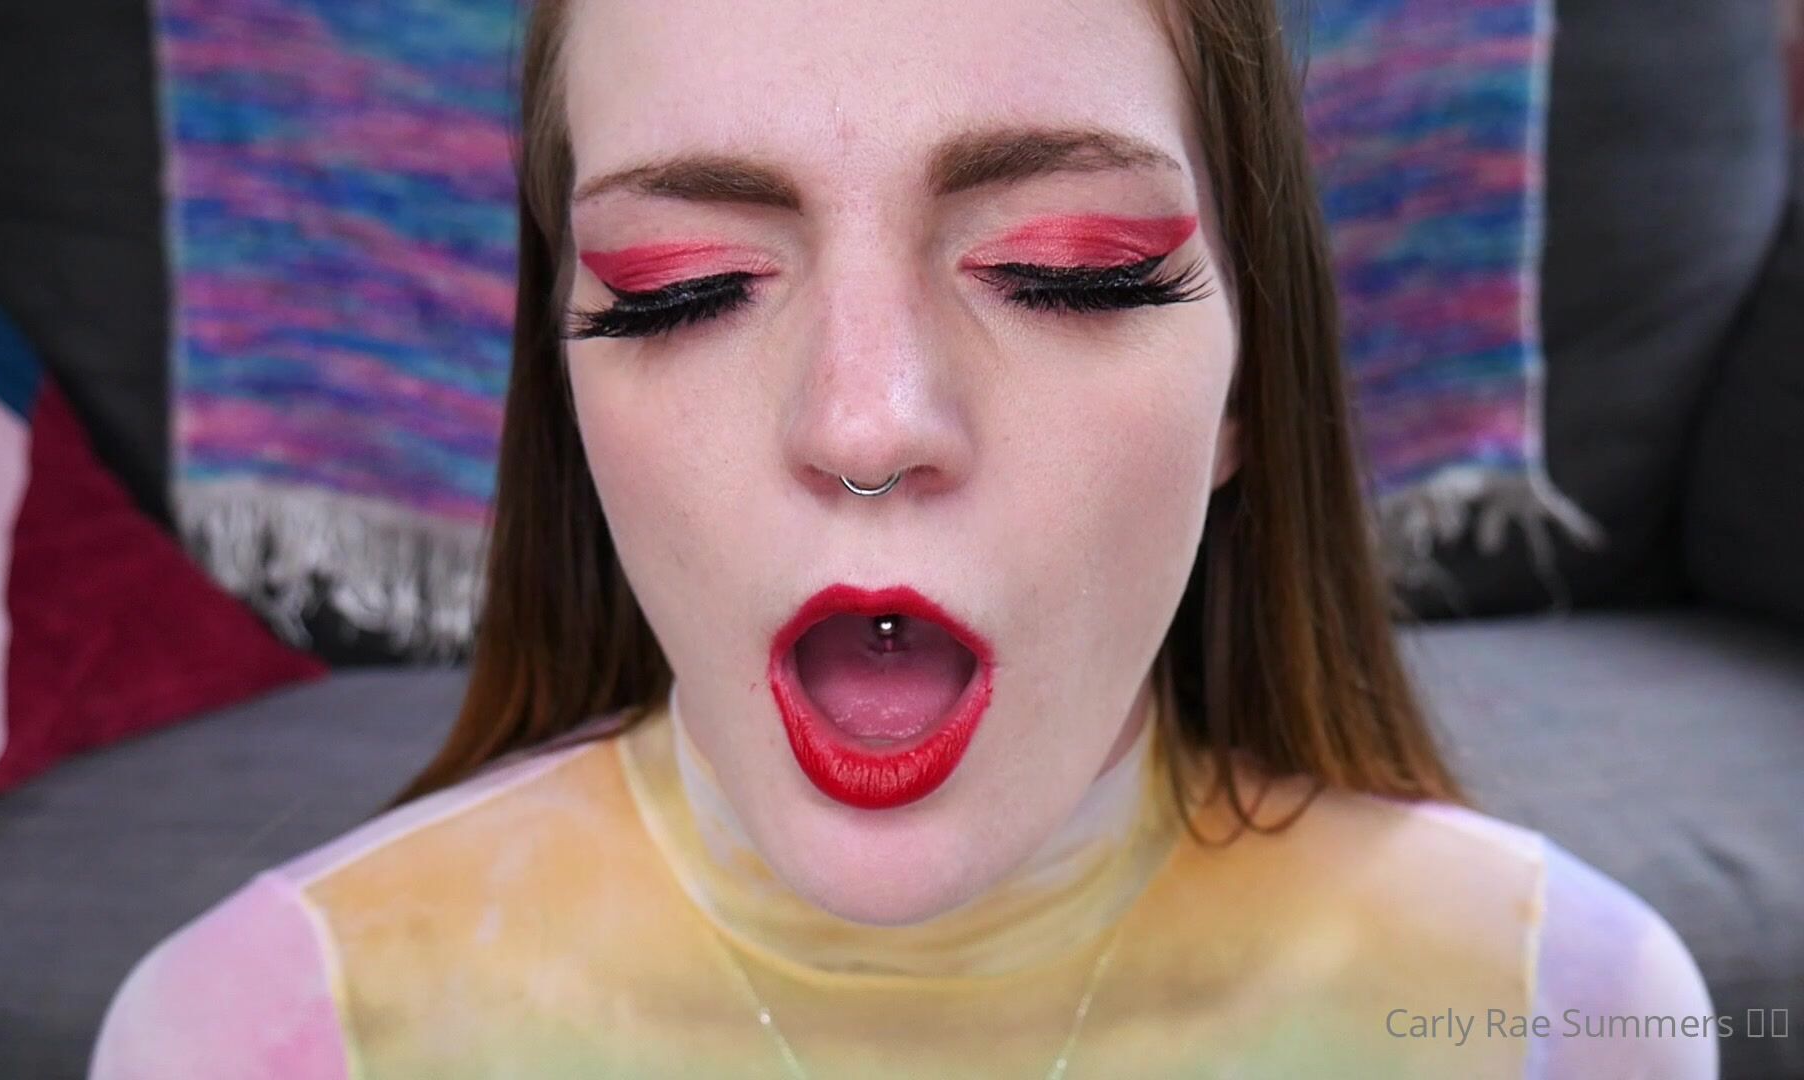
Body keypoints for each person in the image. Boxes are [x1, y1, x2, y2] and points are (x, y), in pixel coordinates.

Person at [90, 0, 1720, 1076]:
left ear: (1247, 387)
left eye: (1068, 270)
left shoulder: (1561, 1013)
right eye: (682, 288)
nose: (866, 424)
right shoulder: (254, 1035)